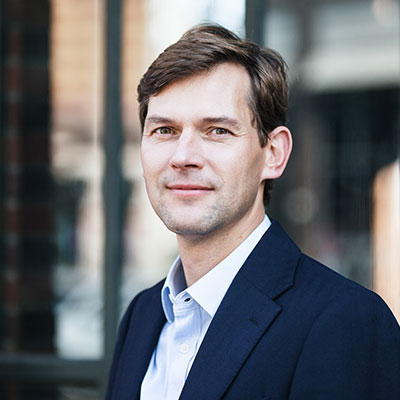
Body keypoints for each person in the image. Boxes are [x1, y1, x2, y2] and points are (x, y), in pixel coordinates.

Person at [106, 24, 400, 400]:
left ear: (273, 154)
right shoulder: (142, 316)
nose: (183, 157)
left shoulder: (347, 322)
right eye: (164, 130)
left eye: (218, 131)